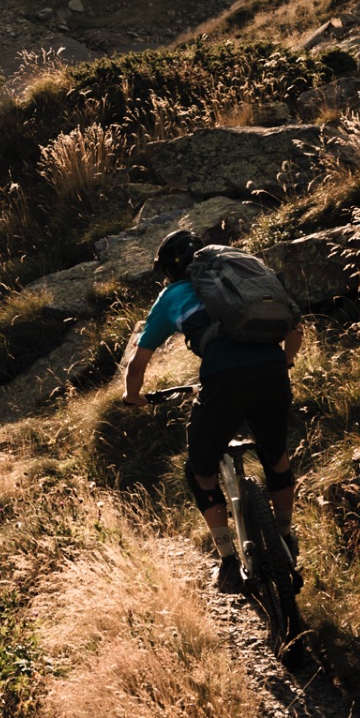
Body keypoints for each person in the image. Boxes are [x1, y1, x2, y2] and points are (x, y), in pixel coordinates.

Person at [119, 227, 302, 592]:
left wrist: (133, 397)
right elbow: (295, 329)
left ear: (168, 271)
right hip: (272, 371)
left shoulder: (172, 296)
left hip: (224, 377)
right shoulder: (242, 278)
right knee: (276, 455)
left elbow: (138, 363)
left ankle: (229, 561)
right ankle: (285, 537)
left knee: (200, 470)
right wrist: (283, 363)